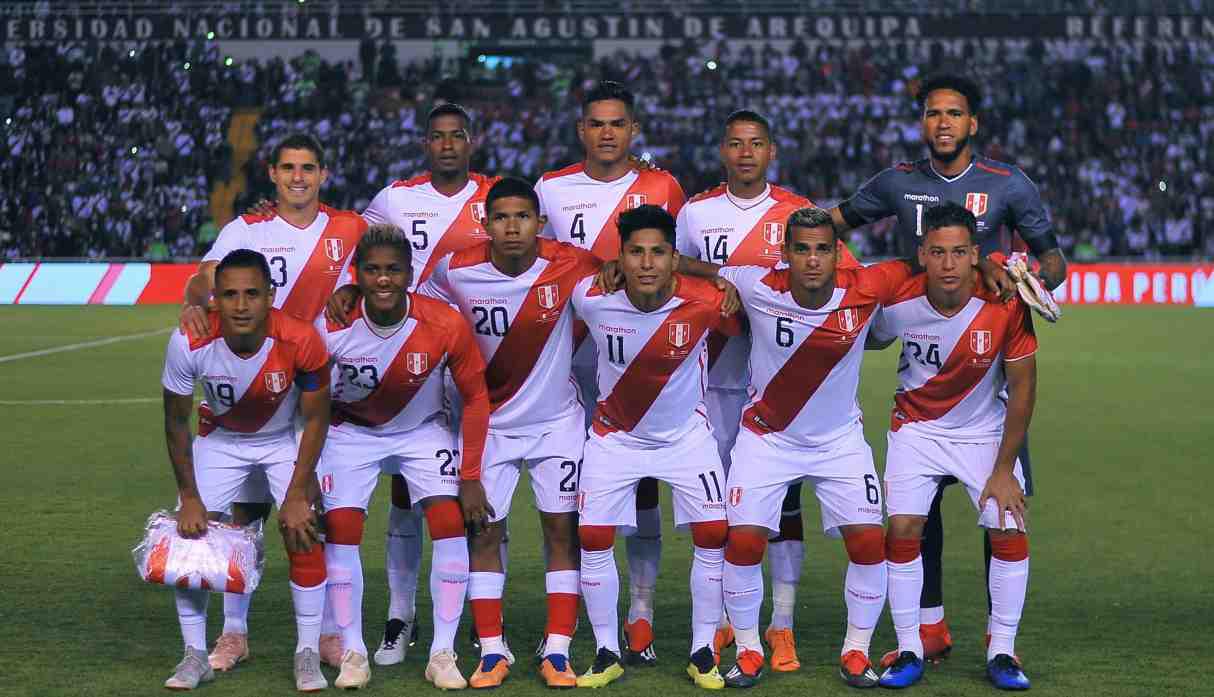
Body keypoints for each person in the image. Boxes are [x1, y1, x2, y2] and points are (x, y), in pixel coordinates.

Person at [827, 74, 1062, 662]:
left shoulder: (1008, 184)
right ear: (922, 123)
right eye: (933, 113)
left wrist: (1022, 276)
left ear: (972, 123)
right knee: (917, 514)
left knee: (1001, 505)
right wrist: (874, 276)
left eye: (954, 113)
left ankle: (996, 637)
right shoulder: (896, 184)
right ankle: (928, 627)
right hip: (924, 358)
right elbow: (829, 227)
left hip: (991, 369)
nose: (943, 123)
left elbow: (1053, 261)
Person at [674, 109, 858, 670]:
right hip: (712, 380)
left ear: (771, 150)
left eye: (756, 144)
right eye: (736, 144)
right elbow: (675, 267)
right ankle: (732, 618)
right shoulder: (696, 211)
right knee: (727, 506)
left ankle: (782, 622)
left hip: (778, 385)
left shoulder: (794, 210)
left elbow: (840, 274)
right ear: (723, 151)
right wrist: (718, 279)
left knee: (785, 503)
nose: (746, 153)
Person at [178, 133, 366, 674]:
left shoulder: (348, 229)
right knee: (244, 521)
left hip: (317, 395)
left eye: (308, 167)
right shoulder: (246, 229)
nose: (298, 177)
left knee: (314, 520)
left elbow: (383, 268)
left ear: (324, 174)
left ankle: (328, 634)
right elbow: (203, 280)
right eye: (288, 168)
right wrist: (195, 304)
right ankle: (234, 634)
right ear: (273, 174)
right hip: (249, 398)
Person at [710, 207, 917, 688]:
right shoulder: (757, 284)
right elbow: (702, 268)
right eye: (801, 249)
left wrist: (989, 265)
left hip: (838, 442)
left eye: (822, 248)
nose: (812, 259)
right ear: (784, 255)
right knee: (742, 543)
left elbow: (919, 265)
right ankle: (747, 651)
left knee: (868, 544)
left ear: (836, 252)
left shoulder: (865, 286)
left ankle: (856, 651)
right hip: (766, 438)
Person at [418, 177, 602, 688]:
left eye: (523, 217)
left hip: (556, 423)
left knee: (562, 529)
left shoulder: (571, 262)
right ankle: (493, 650)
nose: (512, 226)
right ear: (486, 223)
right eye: (501, 217)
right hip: (486, 425)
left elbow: (616, 277)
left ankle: (559, 650)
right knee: (483, 531)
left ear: (539, 223)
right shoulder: (456, 268)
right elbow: (423, 308)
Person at [534, 81, 686, 665]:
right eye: (596, 123)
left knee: (643, 479)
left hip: (639, 357)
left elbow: (677, 257)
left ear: (633, 130)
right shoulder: (551, 188)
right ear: (581, 130)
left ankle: (640, 609)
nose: (606, 133)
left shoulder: (662, 186)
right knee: (577, 498)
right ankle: (568, 620)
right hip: (566, 359)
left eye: (617, 124)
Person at [569, 205, 738, 689]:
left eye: (658, 253)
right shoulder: (592, 297)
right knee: (595, 539)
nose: (646, 263)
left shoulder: (707, 302)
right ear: (619, 258)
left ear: (674, 259)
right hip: (614, 439)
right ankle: (605, 651)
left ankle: (702, 648)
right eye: (635, 252)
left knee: (711, 534)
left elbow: (752, 296)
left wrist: (725, 285)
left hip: (686, 439)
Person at [870, 203, 1036, 691]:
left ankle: (1002, 650)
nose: (948, 263)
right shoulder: (899, 300)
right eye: (938, 252)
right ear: (922, 254)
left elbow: (1024, 388)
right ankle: (909, 648)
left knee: (1008, 525)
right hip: (916, 430)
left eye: (959, 252)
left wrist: (1005, 469)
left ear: (975, 256)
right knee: (902, 527)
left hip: (984, 433)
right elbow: (862, 334)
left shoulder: (1006, 303)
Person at [318, 224, 491, 690]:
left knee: (449, 523)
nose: (383, 280)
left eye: (393, 269)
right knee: (343, 531)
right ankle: (353, 651)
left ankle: (442, 652)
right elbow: (308, 399)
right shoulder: (333, 324)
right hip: (351, 433)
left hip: (422, 431)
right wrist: (305, 472)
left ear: (409, 273)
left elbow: (475, 397)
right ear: (356, 274)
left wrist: (470, 475)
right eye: (372, 270)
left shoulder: (444, 322)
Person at [160, 249, 332, 691]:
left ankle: (307, 653)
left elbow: (315, 419)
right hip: (221, 441)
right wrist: (191, 497)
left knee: (303, 531)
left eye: (252, 294)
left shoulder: (301, 339)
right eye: (230, 295)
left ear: (270, 296)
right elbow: (176, 422)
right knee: (190, 544)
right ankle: (194, 654)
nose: (241, 305)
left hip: (282, 441)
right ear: (214, 298)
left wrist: (298, 494)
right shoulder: (189, 340)